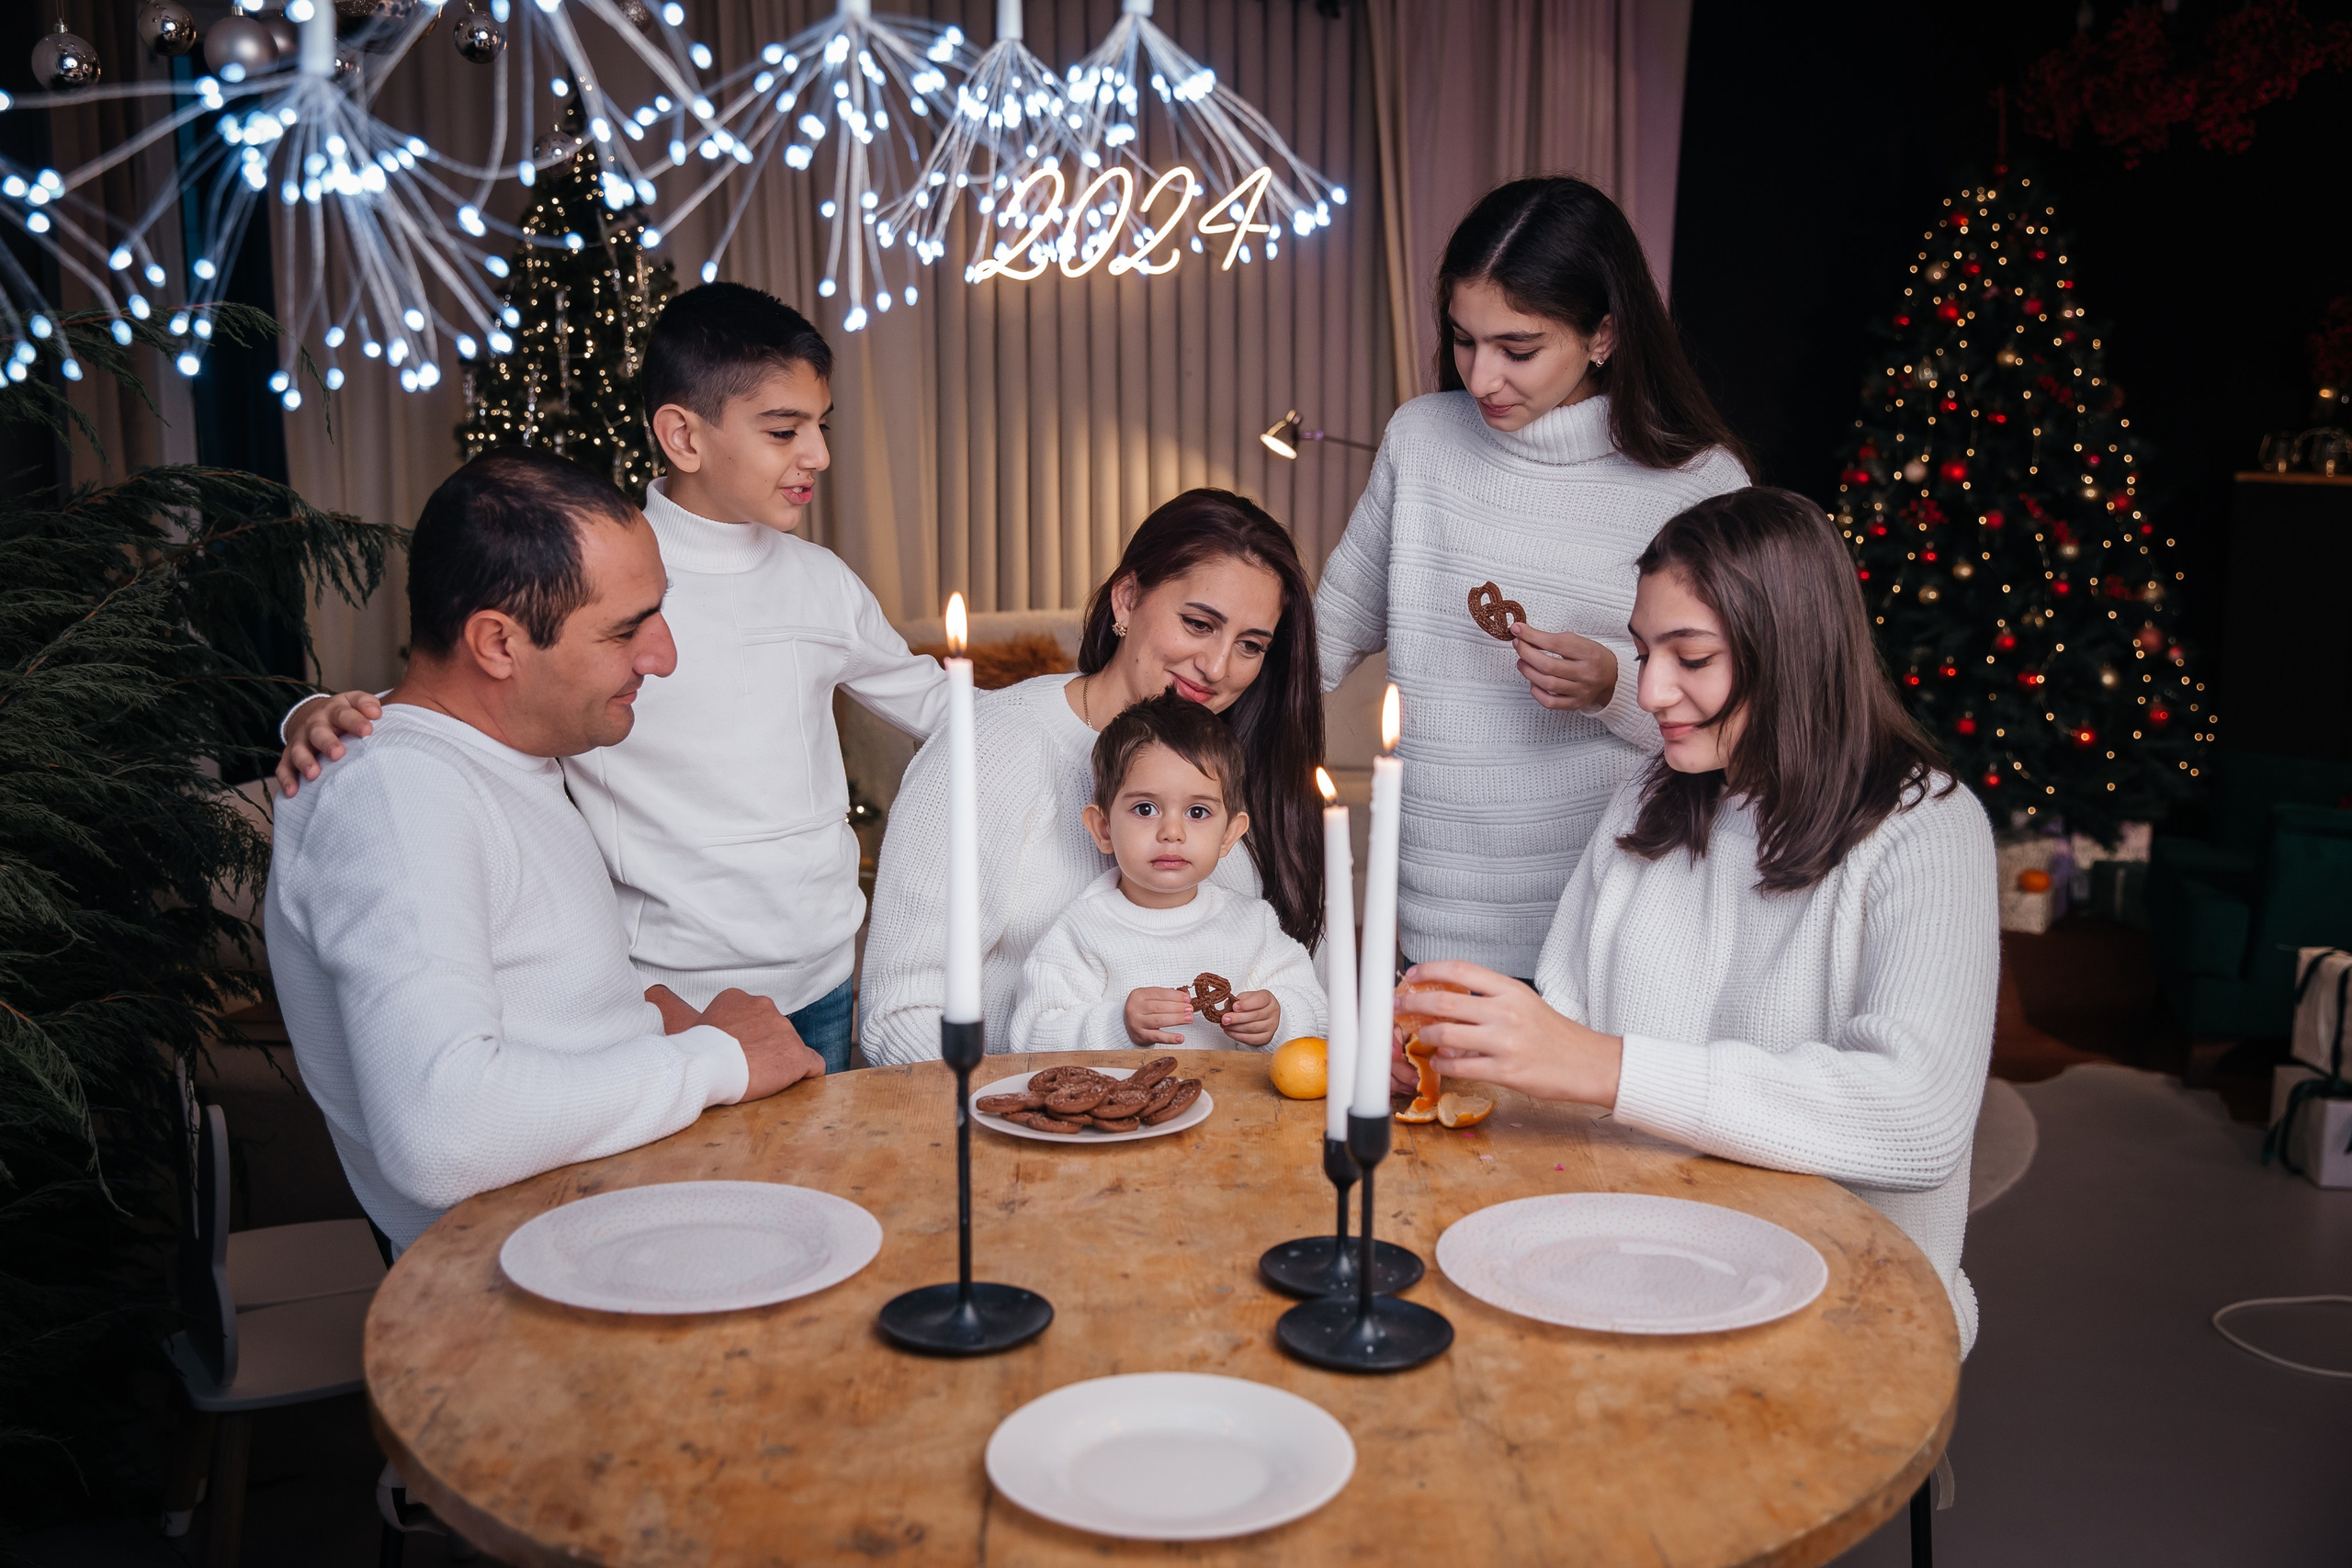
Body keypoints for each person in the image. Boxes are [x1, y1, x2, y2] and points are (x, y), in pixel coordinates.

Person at [275, 285, 943, 1072]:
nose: (819, 455)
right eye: (783, 429)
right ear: (682, 437)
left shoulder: (822, 583)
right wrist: (310, 712)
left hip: (824, 973)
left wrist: (1087, 703)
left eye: (820, 427)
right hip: (665, 989)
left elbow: (935, 702)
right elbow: (474, 703)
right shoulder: (606, 570)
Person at [1390, 488, 1997, 1350]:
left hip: (1846, 1321)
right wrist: (1462, 1054)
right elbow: (1567, 1043)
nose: (1648, 689)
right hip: (1629, 1269)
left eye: (1691, 657)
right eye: (1642, 652)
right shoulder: (1652, 795)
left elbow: (1917, 1118)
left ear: (1793, 652)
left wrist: (1600, 1064)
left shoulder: (1927, 830)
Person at [266, 450, 826, 1256]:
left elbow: (537, 987)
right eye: (627, 627)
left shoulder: (486, 754)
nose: (663, 655)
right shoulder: (398, 798)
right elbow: (442, 1129)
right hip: (517, 1287)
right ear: (497, 642)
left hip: (601, 1218)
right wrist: (719, 1058)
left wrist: (655, 1017)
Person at [1317, 175, 1751, 980]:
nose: (1481, 379)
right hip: (1433, 905)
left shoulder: (1699, 485)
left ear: (1604, 334)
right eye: (1463, 339)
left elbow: (1749, 705)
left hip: (1615, 902)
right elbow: (1330, 626)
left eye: (1518, 349)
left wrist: (1615, 684)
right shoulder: (1423, 441)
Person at [861, 490, 1326, 1065]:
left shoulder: (1239, 761)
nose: (1218, 669)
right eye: (1198, 623)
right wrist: (1029, 1113)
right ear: (1126, 599)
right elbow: (899, 1016)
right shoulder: (989, 748)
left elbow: (1302, 993)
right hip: (1027, 1123)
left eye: (1250, 646)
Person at [1011, 691, 1326, 1054]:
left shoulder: (1253, 925)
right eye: (1145, 809)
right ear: (1104, 829)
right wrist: (1118, 1025)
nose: (1171, 832)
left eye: (1197, 812)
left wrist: (1279, 1021)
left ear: (1229, 835)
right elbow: (1031, 1037)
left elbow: (1321, 1017)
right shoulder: (1081, 930)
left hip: (1237, 1107)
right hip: (1127, 1105)